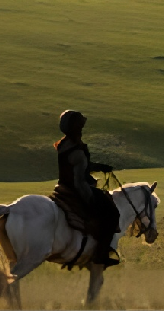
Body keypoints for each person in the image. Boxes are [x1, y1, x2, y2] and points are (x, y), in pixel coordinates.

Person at [55, 110, 122, 267]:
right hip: (76, 189)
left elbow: (81, 167)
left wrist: (99, 167)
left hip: (62, 186)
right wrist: (90, 200)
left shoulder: (64, 145)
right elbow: (79, 180)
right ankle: (102, 254)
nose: (82, 129)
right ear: (75, 128)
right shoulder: (77, 150)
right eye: (80, 127)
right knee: (112, 213)